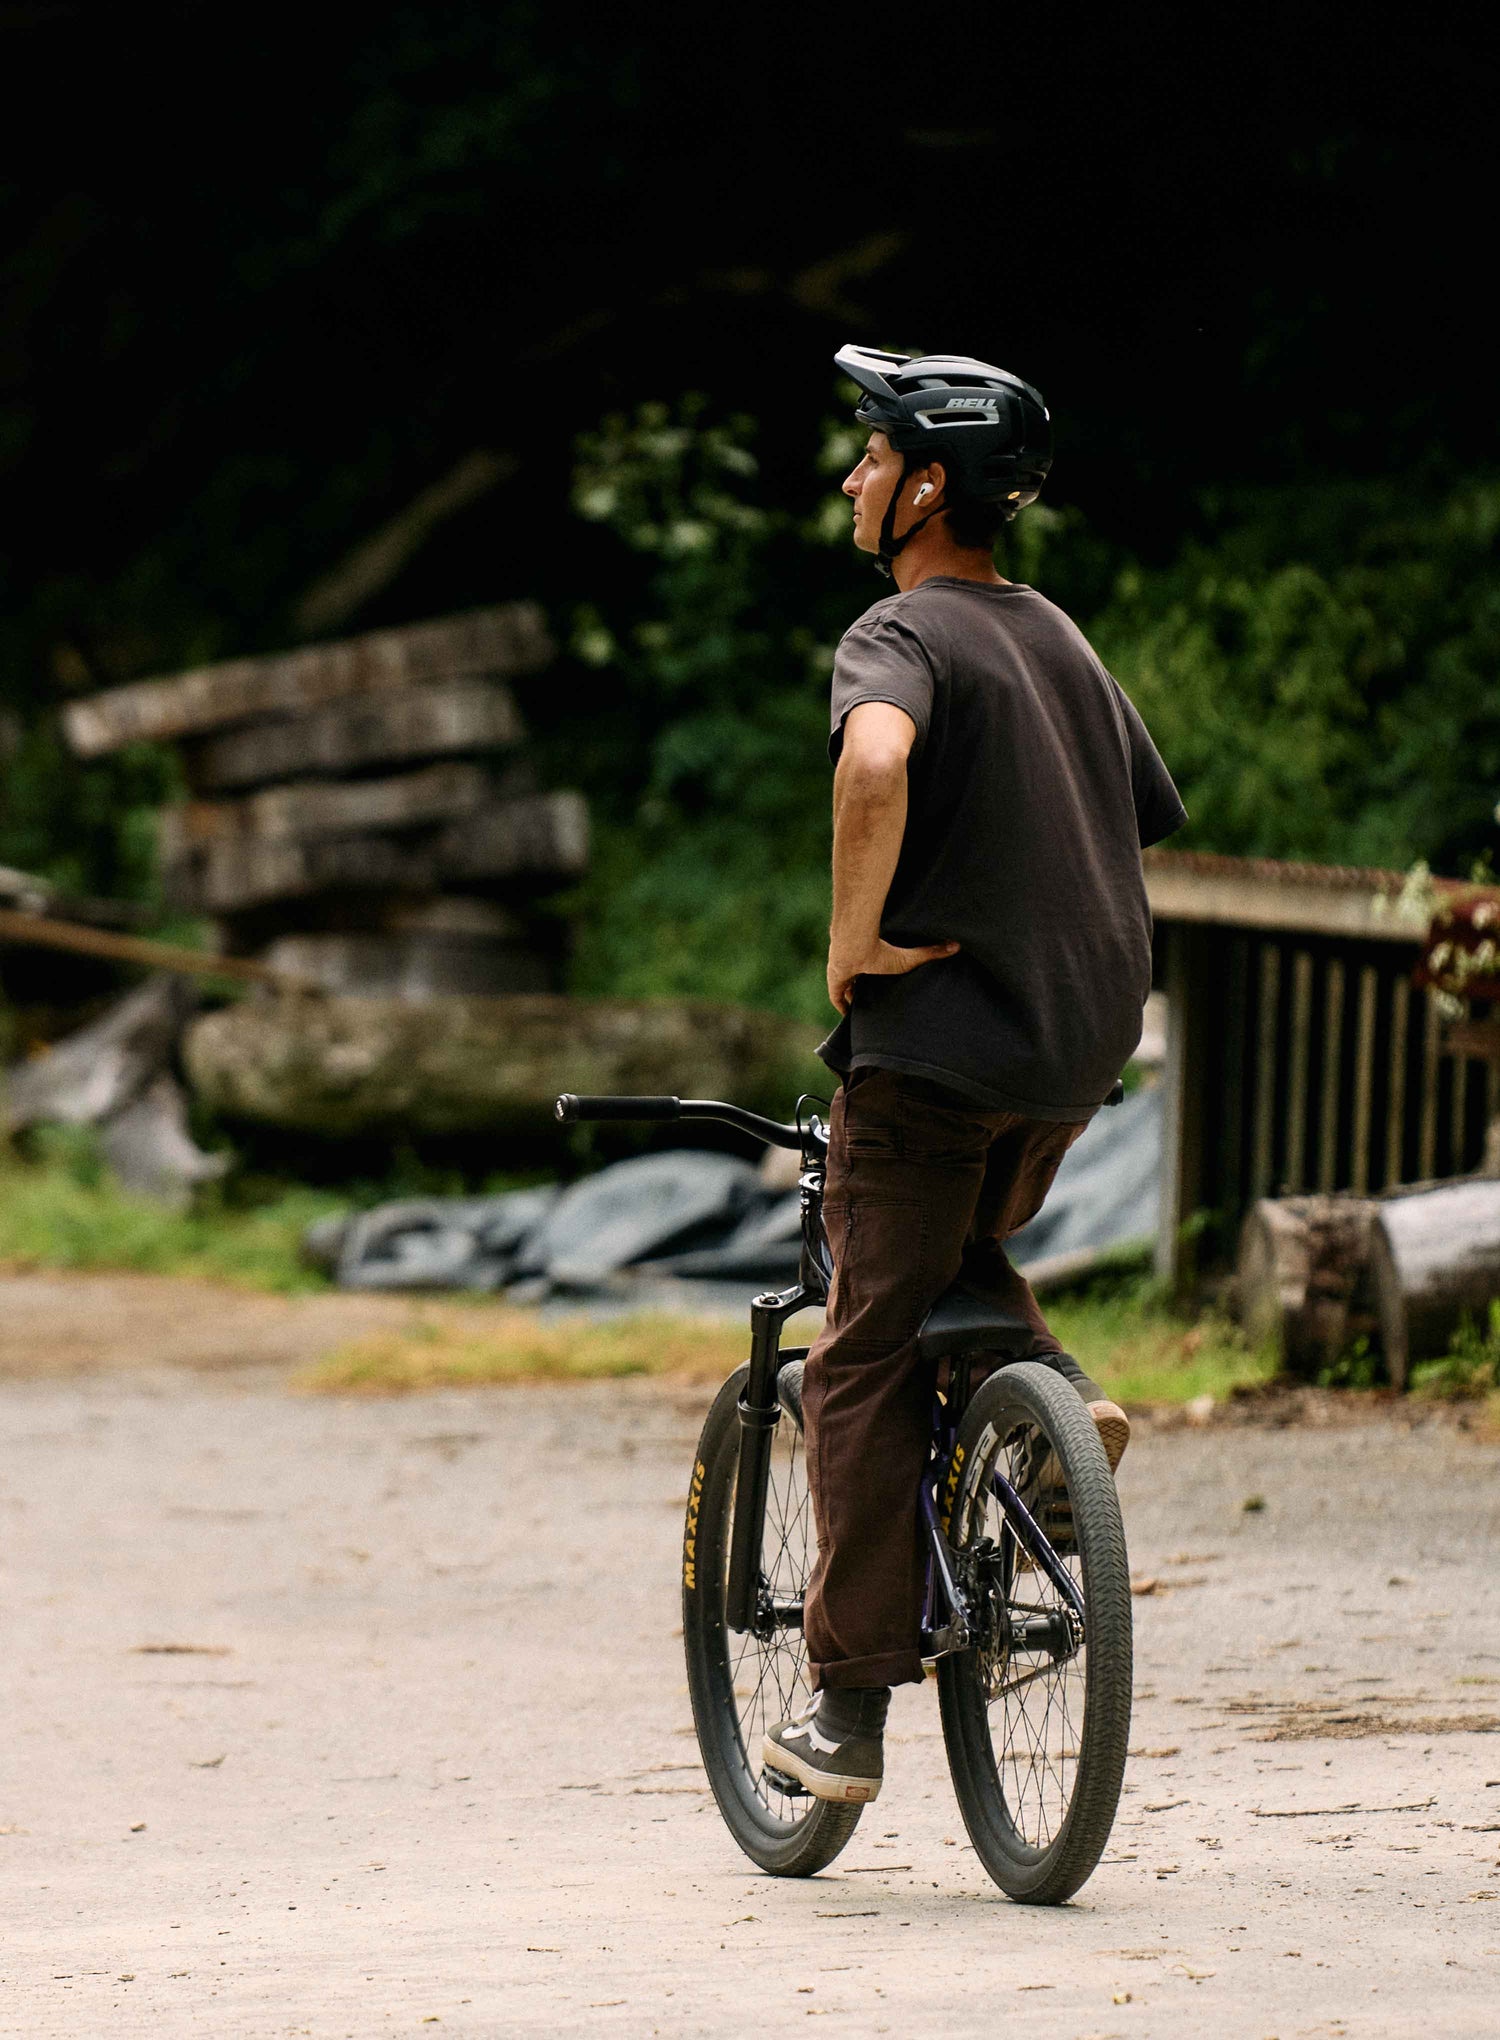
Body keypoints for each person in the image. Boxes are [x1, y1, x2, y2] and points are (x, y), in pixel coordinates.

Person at [764, 344, 1187, 1805]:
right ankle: (1053, 1399)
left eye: (870, 454)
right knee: (947, 1246)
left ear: (926, 486)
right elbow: (1137, 814)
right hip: (1074, 1047)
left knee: (859, 1350)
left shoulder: (900, 634)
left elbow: (873, 765)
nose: (851, 474)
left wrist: (854, 945)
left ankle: (846, 1709)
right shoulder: (1062, 637)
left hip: (939, 1048)